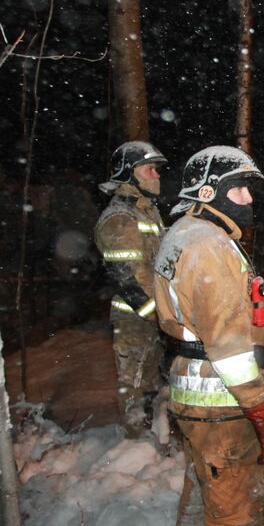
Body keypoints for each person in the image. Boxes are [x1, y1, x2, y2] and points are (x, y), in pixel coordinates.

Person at [152, 146, 264, 526]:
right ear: (208, 192)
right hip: (222, 399)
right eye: (238, 189)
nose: (248, 199)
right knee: (236, 510)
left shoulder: (185, 234)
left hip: (195, 391)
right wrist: (260, 410)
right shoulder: (207, 245)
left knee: (206, 485)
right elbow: (229, 345)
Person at [94, 141, 169, 439]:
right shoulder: (121, 218)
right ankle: (137, 446)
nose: (157, 175)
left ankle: (156, 443)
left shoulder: (146, 212)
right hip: (135, 321)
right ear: (129, 174)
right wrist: (159, 317)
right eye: (150, 169)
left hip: (153, 318)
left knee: (154, 386)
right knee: (136, 389)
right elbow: (127, 280)